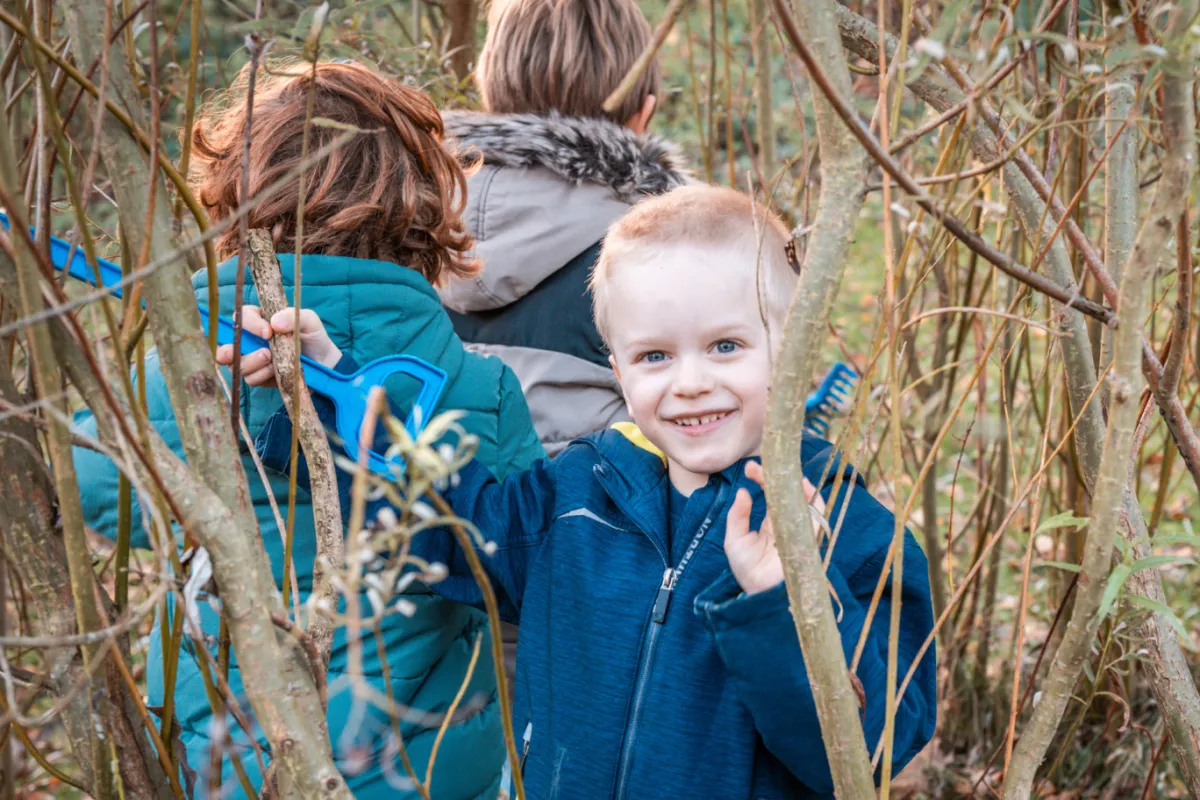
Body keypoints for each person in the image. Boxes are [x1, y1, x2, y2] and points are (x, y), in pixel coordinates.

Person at [255, 185, 938, 798]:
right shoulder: (579, 493)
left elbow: (871, 753)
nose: (690, 383)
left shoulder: (852, 537)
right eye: (654, 356)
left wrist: (785, 600)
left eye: (726, 346)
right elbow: (444, 520)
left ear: (793, 347)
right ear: (617, 369)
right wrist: (334, 395)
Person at [73, 61, 543, 799]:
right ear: (424, 212)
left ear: (234, 203)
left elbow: (89, 486)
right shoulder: (479, 390)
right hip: (426, 776)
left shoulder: (178, 375)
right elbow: (526, 559)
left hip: (231, 766)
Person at [439, 0, 690, 457]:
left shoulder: (408, 223)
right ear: (643, 114)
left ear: (490, 96)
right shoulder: (669, 247)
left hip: (429, 491)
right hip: (604, 498)